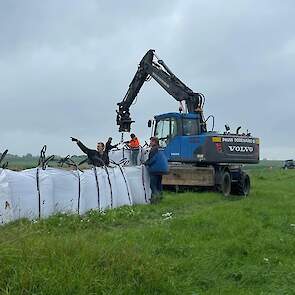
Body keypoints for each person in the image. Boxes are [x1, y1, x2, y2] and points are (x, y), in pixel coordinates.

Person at [145, 137, 169, 203]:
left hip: (155, 169)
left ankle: (155, 200)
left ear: (154, 142)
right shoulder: (160, 148)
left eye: (151, 142)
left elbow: (151, 160)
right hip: (162, 169)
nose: (150, 143)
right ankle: (160, 198)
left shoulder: (153, 149)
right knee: (159, 184)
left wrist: (145, 163)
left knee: (153, 186)